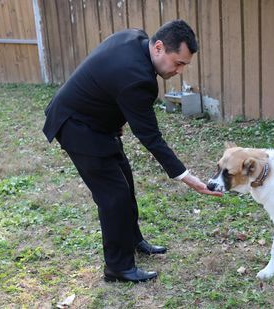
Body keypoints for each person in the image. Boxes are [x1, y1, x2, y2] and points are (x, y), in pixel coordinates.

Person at [42, 20, 222, 283]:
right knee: (113, 196)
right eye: (178, 62)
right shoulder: (137, 78)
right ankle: (118, 267)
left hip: (99, 124)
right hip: (77, 127)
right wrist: (185, 176)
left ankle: (133, 240)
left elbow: (107, 82)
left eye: (184, 64)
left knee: (125, 184)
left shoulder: (135, 38)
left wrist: (113, 119)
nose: (180, 70)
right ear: (158, 47)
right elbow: (150, 137)